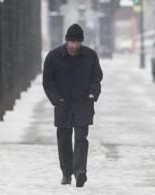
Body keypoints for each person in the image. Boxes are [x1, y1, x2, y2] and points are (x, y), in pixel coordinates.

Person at [42, 23, 103, 188]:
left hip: (83, 104)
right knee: (64, 141)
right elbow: (48, 81)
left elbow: (97, 77)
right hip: (63, 105)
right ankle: (66, 173)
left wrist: (92, 94)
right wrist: (56, 99)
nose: (74, 45)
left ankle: (80, 172)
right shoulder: (54, 57)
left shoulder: (90, 56)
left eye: (77, 42)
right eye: (72, 42)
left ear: (81, 42)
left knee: (81, 139)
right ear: (66, 41)